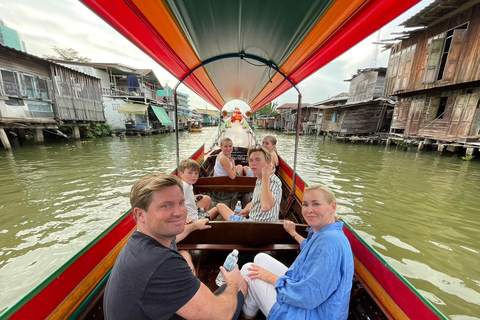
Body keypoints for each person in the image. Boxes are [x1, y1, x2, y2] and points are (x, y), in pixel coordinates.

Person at [104, 173, 247, 320]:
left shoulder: (143, 241)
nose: (180, 212)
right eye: (166, 206)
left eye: (181, 203)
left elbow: (175, 237)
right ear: (140, 214)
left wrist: (193, 228)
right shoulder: (160, 263)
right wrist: (233, 284)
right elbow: (221, 316)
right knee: (242, 283)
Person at [240, 184, 354, 319]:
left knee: (248, 270)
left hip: (310, 313)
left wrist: (270, 278)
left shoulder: (329, 244)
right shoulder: (328, 232)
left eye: (316, 204)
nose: (309, 210)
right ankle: (252, 307)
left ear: (333, 207)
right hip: (308, 297)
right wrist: (293, 233)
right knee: (260, 258)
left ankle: (247, 314)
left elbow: (308, 296)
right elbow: (310, 248)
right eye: (305, 204)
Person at [209, 146, 282, 222]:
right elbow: (259, 201)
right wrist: (247, 209)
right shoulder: (260, 179)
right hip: (253, 223)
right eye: (251, 160)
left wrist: (266, 175)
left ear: (268, 162)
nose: (253, 163)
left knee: (219, 206)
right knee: (222, 207)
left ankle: (201, 220)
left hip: (251, 227)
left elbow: (266, 207)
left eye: (258, 160)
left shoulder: (272, 180)